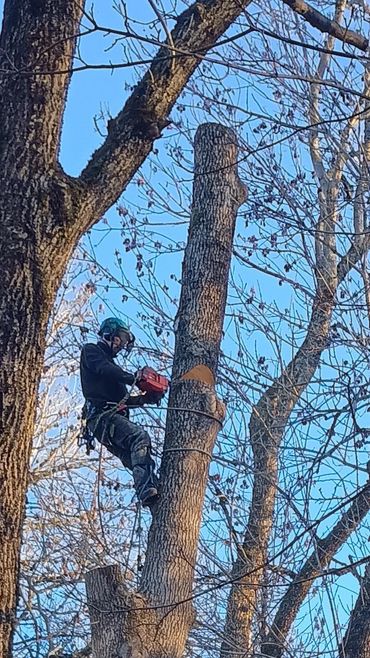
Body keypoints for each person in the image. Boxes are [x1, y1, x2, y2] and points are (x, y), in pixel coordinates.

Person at [80, 317, 163, 507]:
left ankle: (153, 492)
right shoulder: (91, 352)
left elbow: (124, 401)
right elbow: (105, 369)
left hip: (111, 419)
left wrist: (145, 398)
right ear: (109, 335)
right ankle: (146, 490)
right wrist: (135, 377)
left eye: (123, 341)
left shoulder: (114, 370)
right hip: (102, 418)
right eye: (119, 339)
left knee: (133, 457)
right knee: (139, 438)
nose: (120, 344)